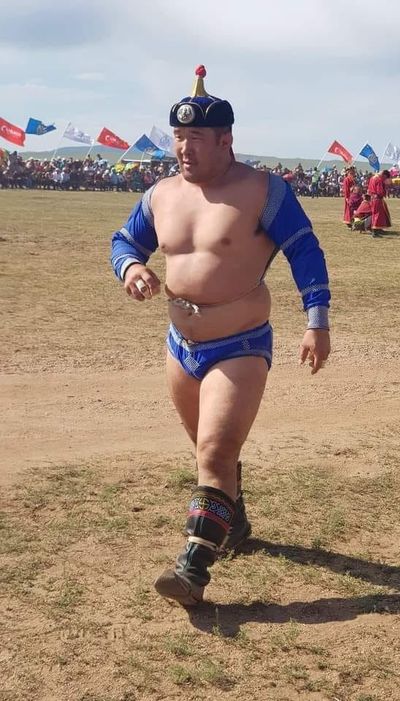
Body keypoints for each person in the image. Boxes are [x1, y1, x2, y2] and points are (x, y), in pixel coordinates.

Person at [110, 65, 331, 607]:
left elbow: (304, 250)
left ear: (225, 140)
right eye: (178, 137)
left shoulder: (264, 191)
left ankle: (191, 569)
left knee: (214, 450)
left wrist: (317, 321)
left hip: (240, 343)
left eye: (196, 138)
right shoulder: (160, 194)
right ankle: (235, 521)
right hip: (179, 345)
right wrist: (131, 269)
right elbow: (124, 241)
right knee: (209, 450)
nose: (184, 149)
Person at [367, 169, 392, 237]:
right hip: (377, 199)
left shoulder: (372, 178)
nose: (384, 179)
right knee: (377, 215)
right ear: (384, 175)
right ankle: (375, 231)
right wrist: (384, 190)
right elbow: (380, 191)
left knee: (375, 214)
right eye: (385, 178)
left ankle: (378, 228)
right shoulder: (379, 180)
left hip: (372, 198)